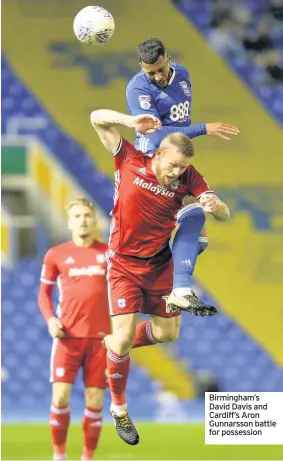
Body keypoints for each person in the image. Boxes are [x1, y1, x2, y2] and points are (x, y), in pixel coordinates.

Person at [90, 108, 230, 445]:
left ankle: (111, 351)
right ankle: (120, 409)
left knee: (166, 335)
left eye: (183, 168)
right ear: (160, 153)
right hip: (123, 264)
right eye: (173, 166)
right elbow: (97, 117)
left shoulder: (189, 178)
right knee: (122, 338)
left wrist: (214, 204)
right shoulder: (128, 159)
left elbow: (223, 214)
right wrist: (128, 122)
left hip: (159, 263)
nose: (177, 173)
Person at [126, 38, 238, 307]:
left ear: (168, 58)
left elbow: (175, 129)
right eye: (149, 72)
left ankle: (179, 289)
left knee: (197, 227)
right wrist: (203, 128)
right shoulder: (137, 88)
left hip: (174, 163)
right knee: (190, 221)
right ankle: (176, 286)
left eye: (160, 69)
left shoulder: (183, 75)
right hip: (151, 165)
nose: (156, 77)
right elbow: (155, 136)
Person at [38, 198, 110, 461]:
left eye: (87, 215)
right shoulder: (56, 254)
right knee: (60, 398)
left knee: (95, 401)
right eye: (77, 216)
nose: (82, 220)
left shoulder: (109, 253)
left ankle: (87, 457)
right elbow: (44, 294)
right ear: (69, 222)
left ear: (95, 220)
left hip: (102, 340)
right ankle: (59, 456)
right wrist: (50, 320)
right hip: (67, 338)